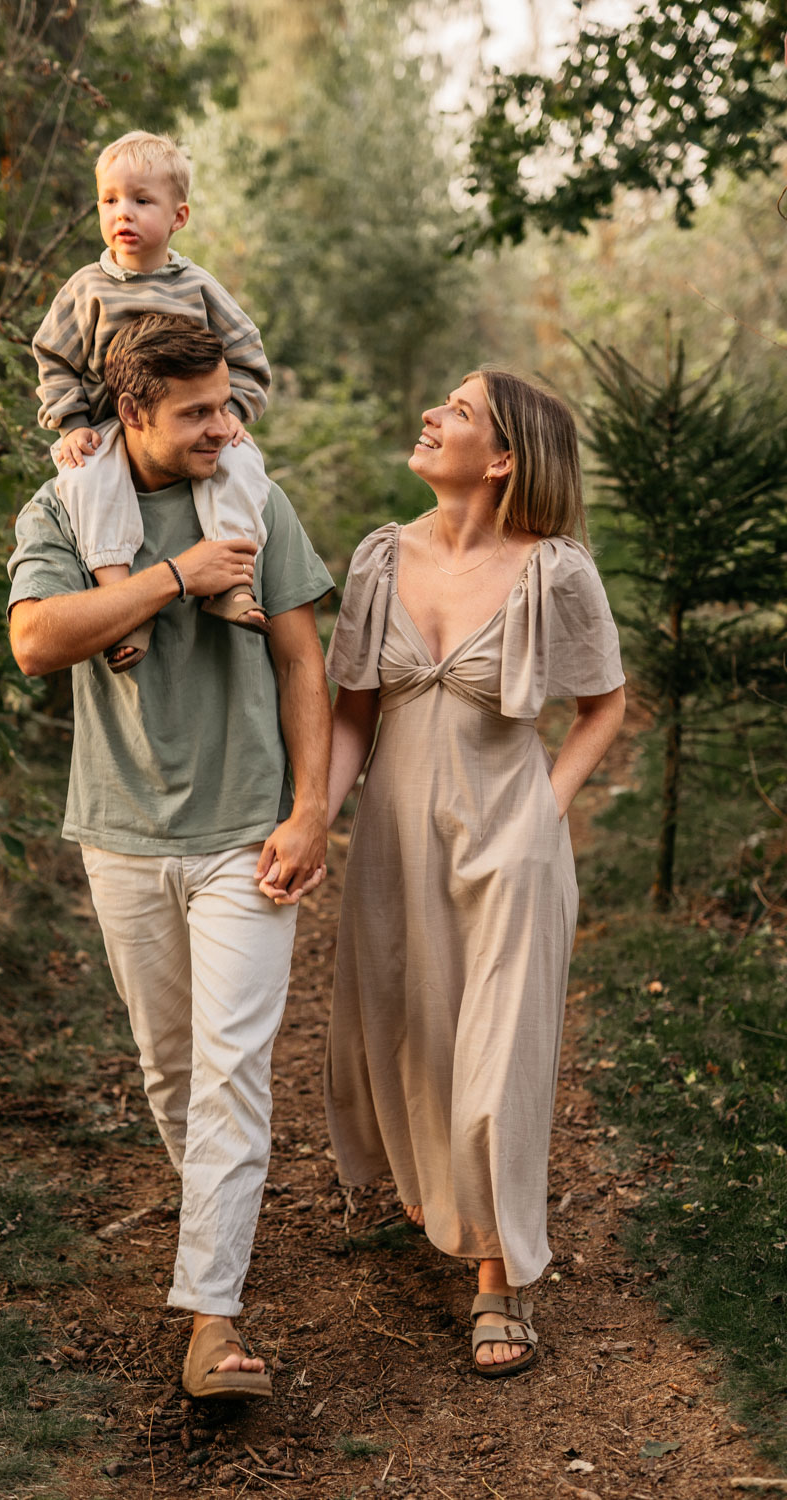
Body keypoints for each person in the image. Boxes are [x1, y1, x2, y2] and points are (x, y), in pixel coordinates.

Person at [8, 313, 333, 1399]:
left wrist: (311, 806)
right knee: (170, 1068)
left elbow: (300, 659)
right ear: (133, 412)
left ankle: (213, 1319)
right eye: (196, 412)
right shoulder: (64, 502)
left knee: (232, 1069)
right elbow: (37, 641)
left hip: (248, 827)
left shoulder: (253, 492)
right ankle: (219, 1232)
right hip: (123, 832)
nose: (222, 425)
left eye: (226, 403)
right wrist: (173, 578)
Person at [323, 368, 625, 1378]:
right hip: (394, 839)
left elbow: (601, 708)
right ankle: (439, 1194)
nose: (431, 416)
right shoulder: (379, 560)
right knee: (411, 1033)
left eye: (457, 411)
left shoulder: (556, 573)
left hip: (511, 844)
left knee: (500, 1055)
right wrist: (309, 820)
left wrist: (544, 808)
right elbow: (352, 713)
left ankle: (498, 1281)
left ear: (502, 458)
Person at [32, 130, 273, 671]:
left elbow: (246, 351)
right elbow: (54, 356)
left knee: (241, 466)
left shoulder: (196, 286)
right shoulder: (86, 288)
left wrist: (230, 413)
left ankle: (231, 586)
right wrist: (71, 422)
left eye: (142, 201)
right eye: (110, 200)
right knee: (85, 480)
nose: (124, 213)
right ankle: (126, 600)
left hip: (188, 428)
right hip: (109, 427)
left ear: (178, 216)